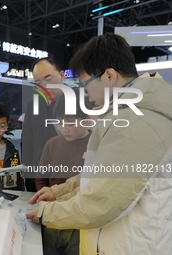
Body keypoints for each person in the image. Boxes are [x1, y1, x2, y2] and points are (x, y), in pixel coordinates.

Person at [26, 33, 172, 254]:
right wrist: (61, 191)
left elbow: (102, 202)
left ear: (109, 76)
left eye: (86, 83)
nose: (85, 91)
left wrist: (47, 212)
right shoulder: (126, 114)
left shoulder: (134, 122)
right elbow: (102, 174)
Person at [35, 87, 92, 255]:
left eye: (70, 123)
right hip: (51, 219)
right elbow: (41, 178)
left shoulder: (96, 145)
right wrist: (43, 203)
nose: (63, 128)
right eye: (59, 122)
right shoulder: (52, 144)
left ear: (87, 119)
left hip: (79, 222)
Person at [21, 57, 65, 192]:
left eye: (48, 78)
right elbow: (28, 142)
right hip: (39, 178)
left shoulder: (81, 101)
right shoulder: (33, 105)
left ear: (62, 75)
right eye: (38, 82)